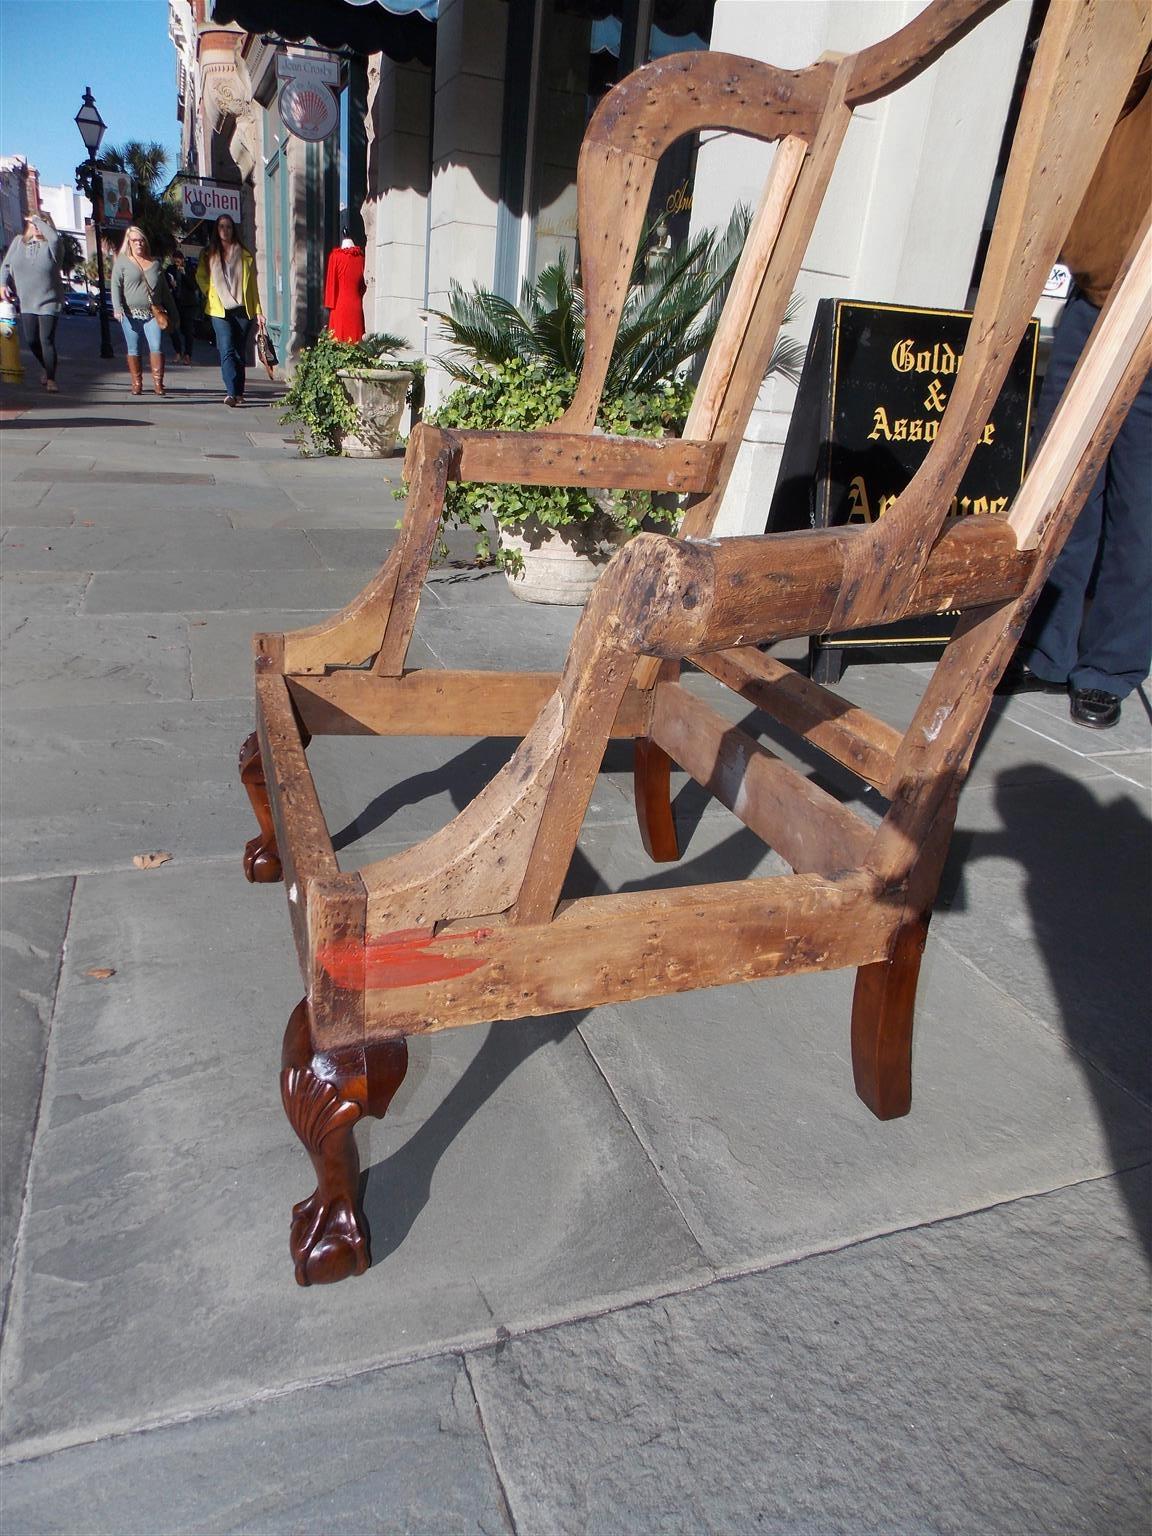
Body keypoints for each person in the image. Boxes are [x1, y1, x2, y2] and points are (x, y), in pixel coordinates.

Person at [1002, 52, 1151, 729]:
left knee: (1143, 507)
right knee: (1063, 484)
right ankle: (1047, 644)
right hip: (1098, 294)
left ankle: (1110, 668)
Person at [196, 213, 266, 407]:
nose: (225, 230)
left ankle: (239, 390)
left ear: (233, 229)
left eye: (228, 226)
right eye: (221, 227)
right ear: (216, 230)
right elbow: (200, 276)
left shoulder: (244, 255)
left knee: (239, 351)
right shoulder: (209, 253)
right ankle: (231, 392)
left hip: (243, 309)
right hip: (219, 309)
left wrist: (259, 311)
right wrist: (209, 291)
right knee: (226, 348)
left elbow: (252, 286)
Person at [0, 211, 65, 392]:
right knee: (31, 340)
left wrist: (37, 219)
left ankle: (51, 379)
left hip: (49, 300)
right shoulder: (18, 242)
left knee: (46, 340)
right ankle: (46, 365)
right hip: (27, 300)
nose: (37, 226)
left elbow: (53, 238)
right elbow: (6, 265)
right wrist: (2, 284)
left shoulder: (53, 247)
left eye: (42, 223)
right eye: (34, 223)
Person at [111, 226, 179, 397]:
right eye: (134, 240)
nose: (139, 243)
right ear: (129, 243)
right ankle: (137, 383)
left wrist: (174, 315)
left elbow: (165, 293)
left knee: (156, 346)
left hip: (152, 314)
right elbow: (115, 285)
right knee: (133, 349)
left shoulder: (155, 264)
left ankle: (158, 383)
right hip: (129, 314)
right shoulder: (122, 261)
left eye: (141, 240)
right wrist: (117, 307)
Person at [323, 225, 365, 342]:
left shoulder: (335, 257)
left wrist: (329, 304)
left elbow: (331, 284)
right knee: (355, 341)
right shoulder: (361, 257)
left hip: (339, 305)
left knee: (339, 339)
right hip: (356, 305)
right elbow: (362, 286)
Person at [164, 250, 200, 366]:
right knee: (173, 329)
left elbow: (194, 286)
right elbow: (166, 283)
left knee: (188, 331)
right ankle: (178, 351)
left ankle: (187, 355)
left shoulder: (189, 269)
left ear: (183, 260)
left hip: (188, 304)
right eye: (175, 260)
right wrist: (171, 285)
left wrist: (184, 274)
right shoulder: (170, 269)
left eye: (179, 260)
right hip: (175, 303)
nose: (177, 263)